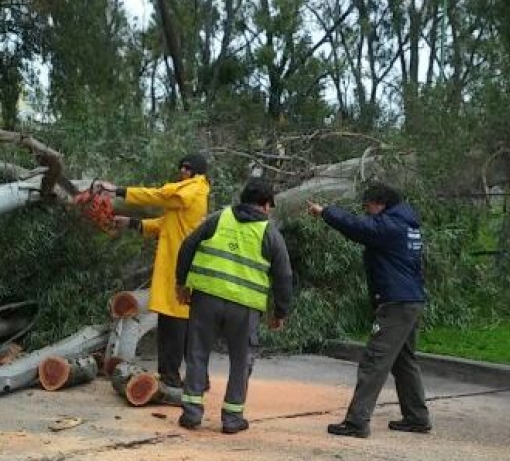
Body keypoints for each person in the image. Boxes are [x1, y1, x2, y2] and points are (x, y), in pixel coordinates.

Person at [307, 182, 431, 438]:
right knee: (404, 360)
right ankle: (417, 416)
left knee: (374, 360)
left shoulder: (391, 226)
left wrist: (325, 212)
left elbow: (358, 227)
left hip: (396, 304)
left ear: (381, 204)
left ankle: (357, 421)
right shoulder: (407, 225)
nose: (367, 212)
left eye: (368, 207)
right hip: (409, 301)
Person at [175, 177, 292, 434]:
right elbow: (284, 276)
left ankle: (192, 413)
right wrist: (280, 312)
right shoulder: (269, 232)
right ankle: (232, 418)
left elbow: (187, 246)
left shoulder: (219, 218)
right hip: (245, 308)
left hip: (206, 299)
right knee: (241, 361)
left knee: (197, 353)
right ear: (265, 205)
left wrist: (181, 283)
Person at [96, 153, 211, 391]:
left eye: (187, 168)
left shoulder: (194, 189)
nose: (182, 172)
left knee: (174, 327)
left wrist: (117, 190)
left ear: (197, 172)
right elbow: (164, 224)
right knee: (185, 326)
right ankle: (196, 378)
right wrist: (132, 223)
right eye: (181, 167)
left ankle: (171, 378)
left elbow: (158, 196)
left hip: (180, 270)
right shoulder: (186, 195)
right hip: (180, 268)